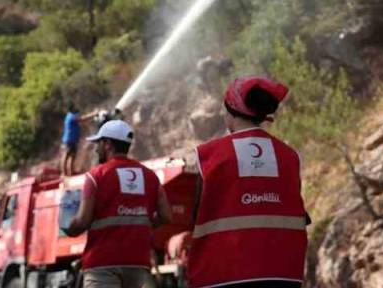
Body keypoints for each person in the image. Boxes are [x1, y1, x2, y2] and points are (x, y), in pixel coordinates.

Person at [186, 77, 309, 288]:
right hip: (284, 272)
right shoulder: (289, 156)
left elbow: (194, 215)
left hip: (223, 273)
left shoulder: (210, 156)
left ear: (230, 114)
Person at [63, 119, 169, 288]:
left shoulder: (96, 176)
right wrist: (139, 226)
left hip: (103, 264)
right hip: (137, 264)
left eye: (98, 143)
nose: (96, 148)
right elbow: (166, 216)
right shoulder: (150, 176)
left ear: (108, 144)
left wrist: (68, 227)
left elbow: (82, 221)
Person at [60, 103, 98, 176]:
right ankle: (64, 174)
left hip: (73, 140)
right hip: (69, 140)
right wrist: (93, 114)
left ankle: (70, 173)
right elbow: (82, 119)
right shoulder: (71, 116)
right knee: (66, 156)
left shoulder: (72, 116)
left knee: (72, 156)